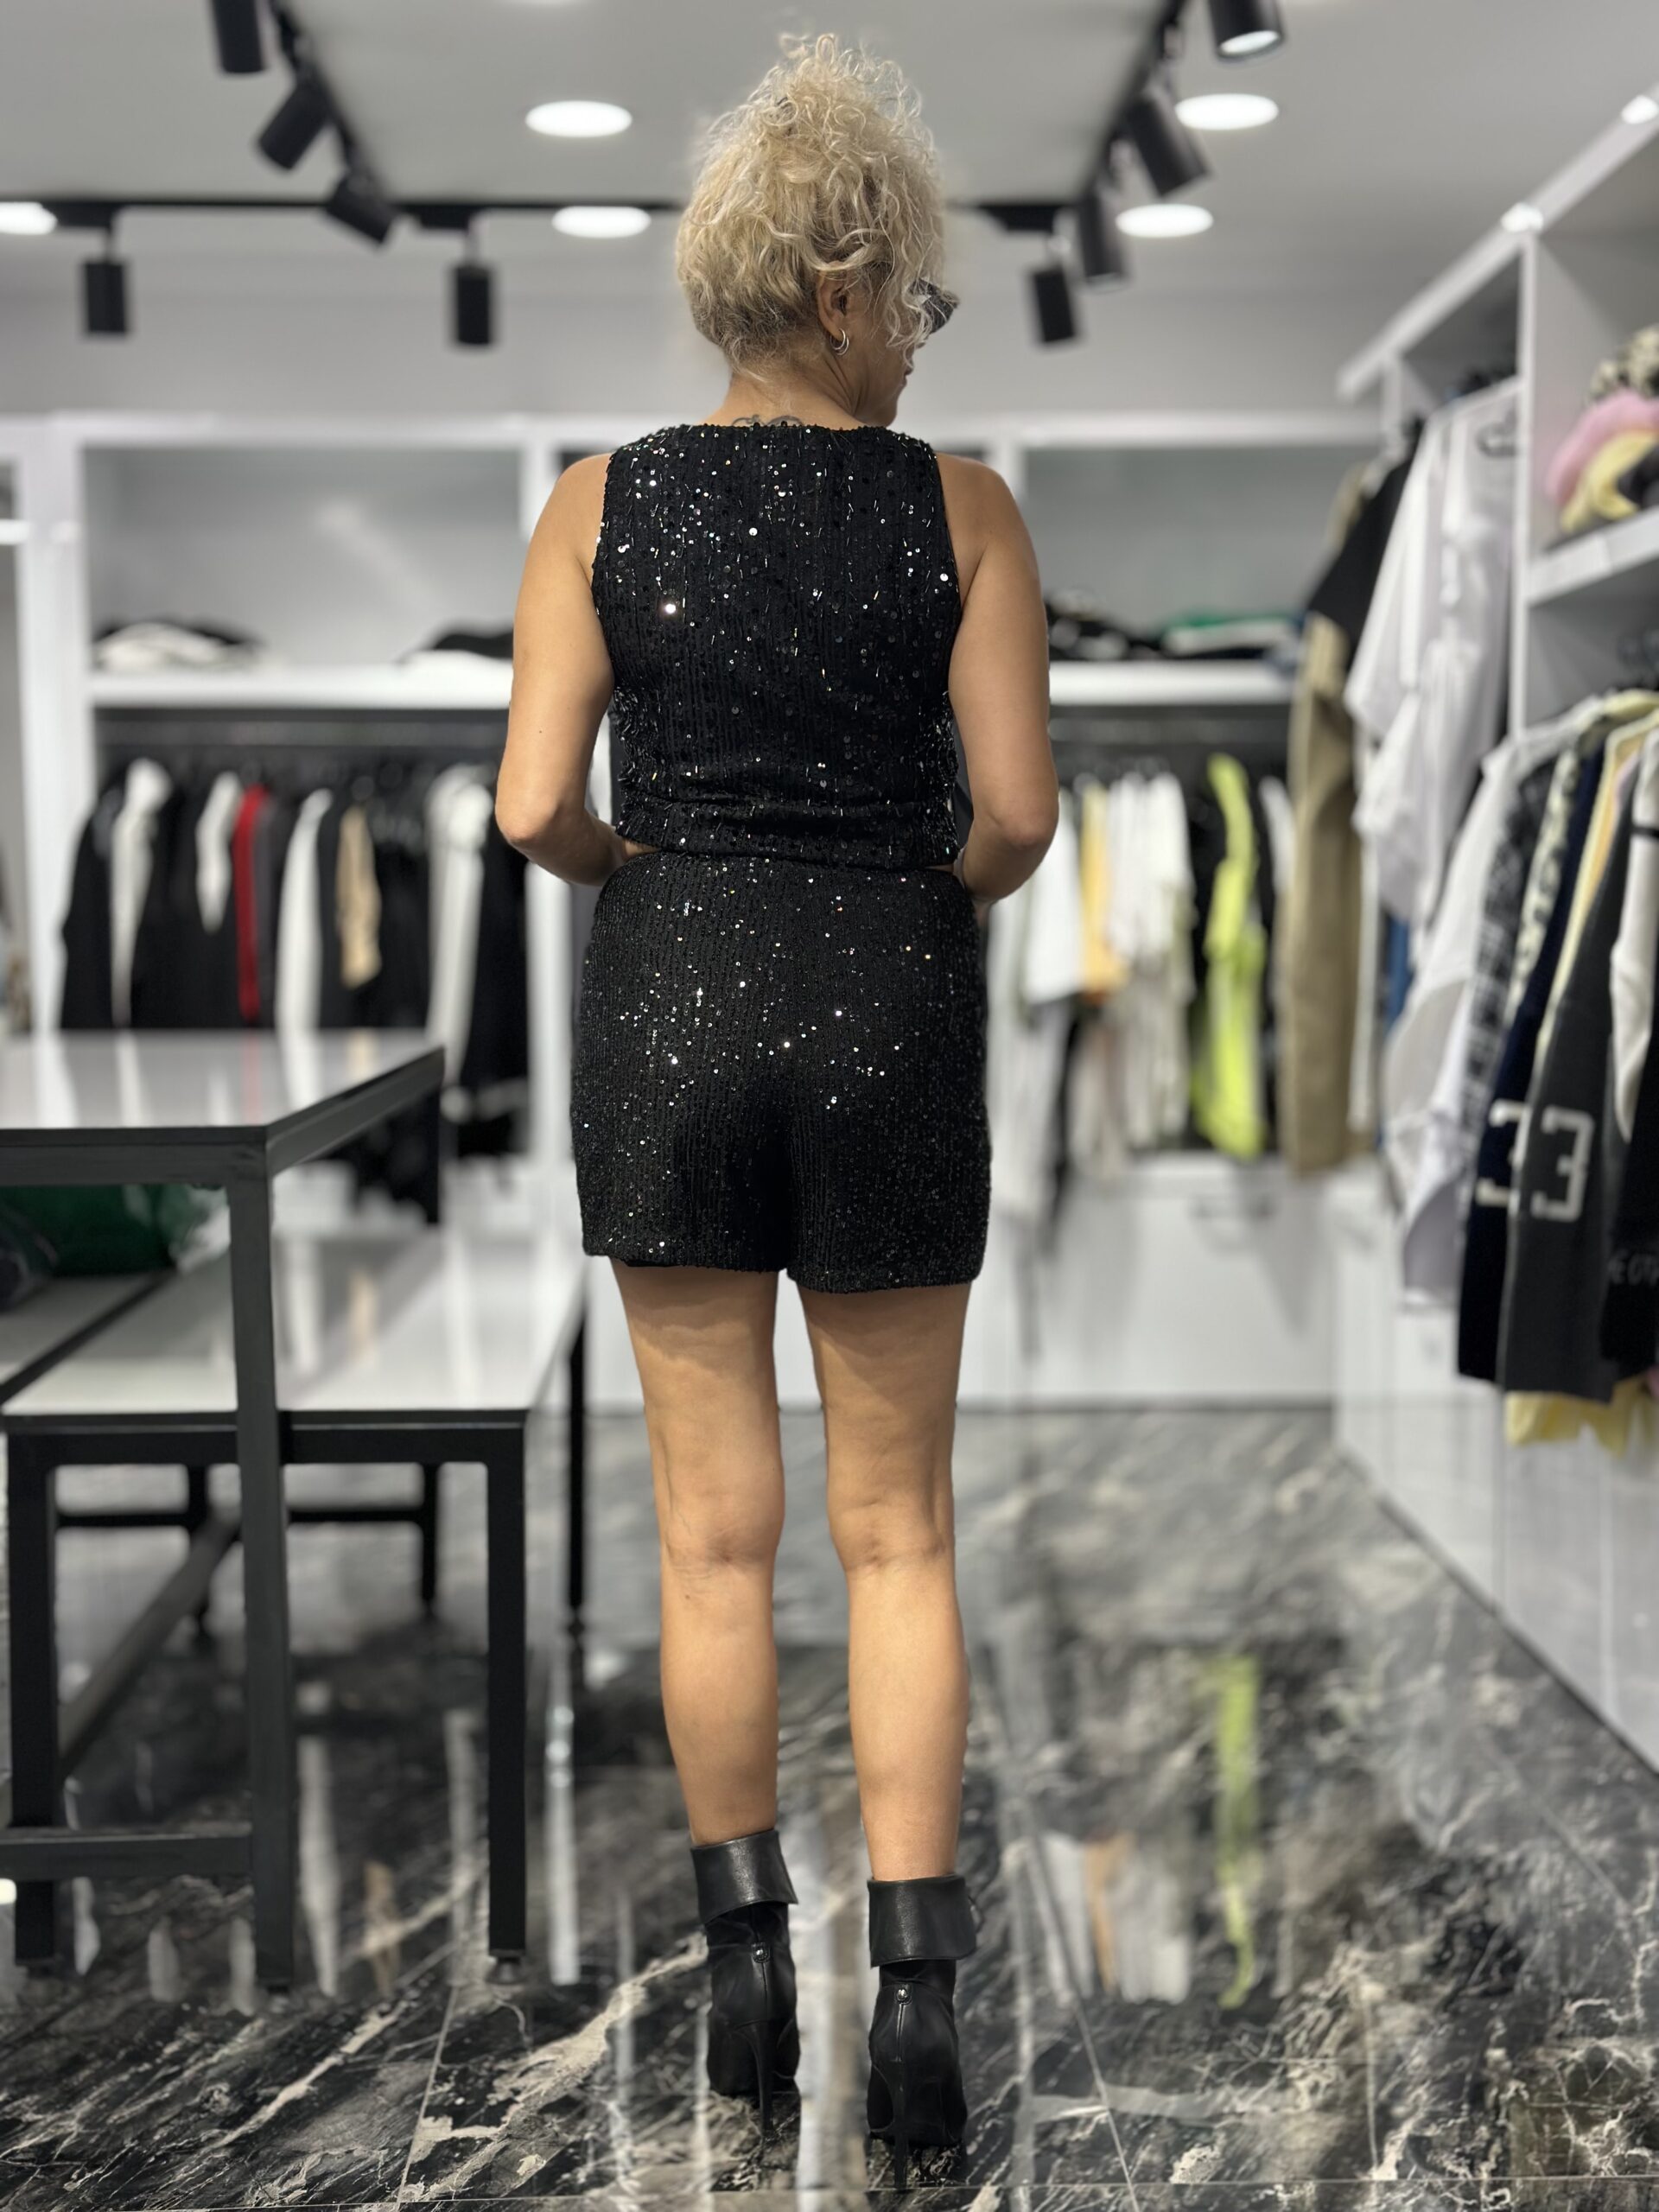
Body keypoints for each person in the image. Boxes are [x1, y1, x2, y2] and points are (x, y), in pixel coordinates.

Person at [496, 29, 1056, 2183]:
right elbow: (1017, 816)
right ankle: (915, 2004)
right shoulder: (964, 510)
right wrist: (921, 890)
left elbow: (532, 804)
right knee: (895, 1528)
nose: (917, 334)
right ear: (838, 288)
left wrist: (643, 867)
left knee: (709, 1534)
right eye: (913, 296)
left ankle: (746, 1976)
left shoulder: (595, 503)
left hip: (670, 1006)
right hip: (890, 1003)